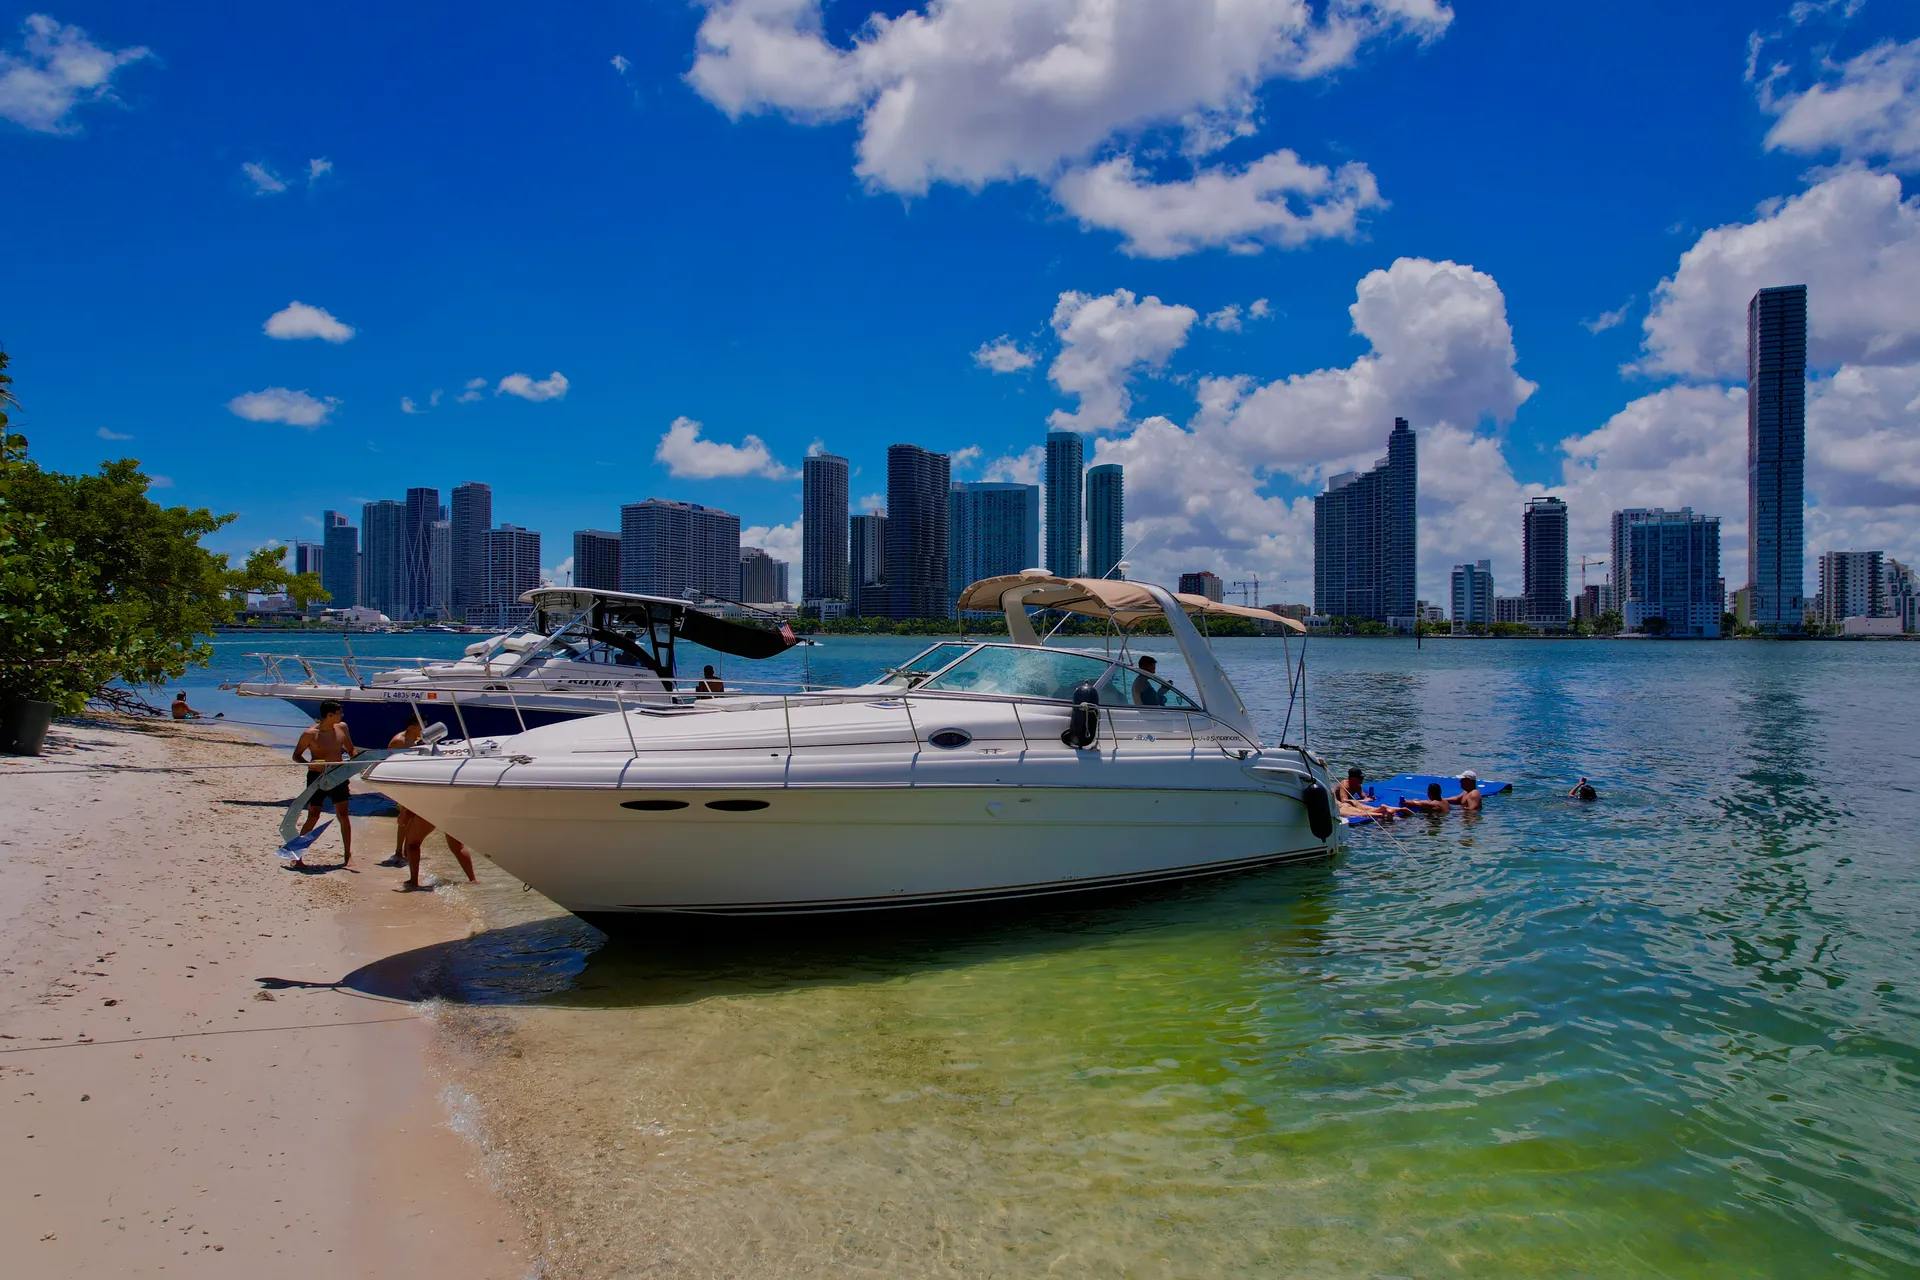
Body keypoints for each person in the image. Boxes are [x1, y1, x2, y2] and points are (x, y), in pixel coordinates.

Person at [292, 701, 359, 869]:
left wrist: (355, 762)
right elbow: (296, 756)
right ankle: (298, 856)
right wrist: (309, 765)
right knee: (313, 814)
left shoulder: (342, 728)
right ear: (330, 715)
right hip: (317, 776)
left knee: (343, 815)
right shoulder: (310, 734)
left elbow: (351, 750)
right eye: (339, 712)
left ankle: (347, 855)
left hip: (337, 775)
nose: (342, 715)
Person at [397, 808, 477, 891]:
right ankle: (473, 880)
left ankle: (414, 882)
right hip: (451, 811)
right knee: (458, 847)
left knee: (413, 844)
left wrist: (403, 814)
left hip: (430, 809)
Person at [381, 722, 425, 867]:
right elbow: (387, 763)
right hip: (402, 784)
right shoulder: (398, 741)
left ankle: (407, 851)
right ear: (412, 726)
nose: (424, 729)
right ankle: (399, 851)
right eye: (422, 726)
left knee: (412, 818)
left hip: (415, 784)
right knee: (404, 819)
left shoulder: (419, 740)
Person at [1335, 766, 1408, 820]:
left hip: (1351, 803)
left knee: (1364, 810)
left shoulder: (1357, 785)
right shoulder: (1344, 784)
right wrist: (1364, 800)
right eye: (1360, 778)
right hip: (1343, 803)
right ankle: (1385, 812)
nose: (1362, 780)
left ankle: (1395, 809)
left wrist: (1369, 798)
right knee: (1360, 811)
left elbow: (1363, 796)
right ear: (1353, 779)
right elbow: (1344, 800)